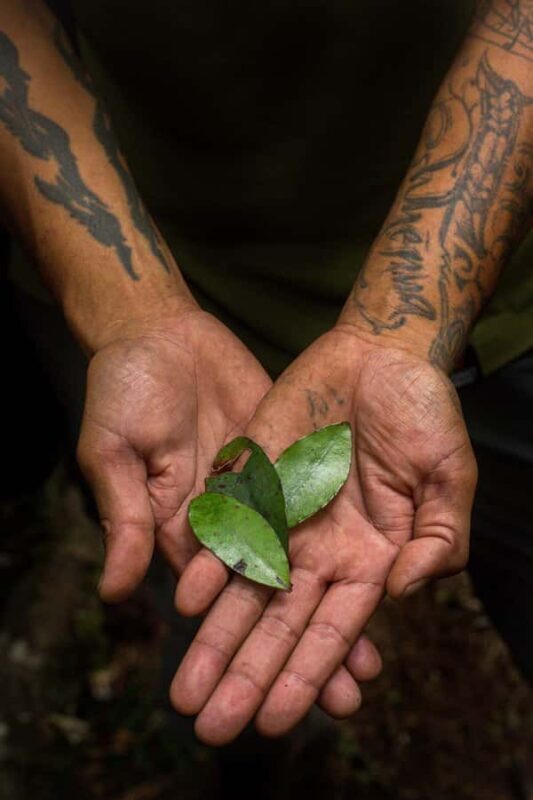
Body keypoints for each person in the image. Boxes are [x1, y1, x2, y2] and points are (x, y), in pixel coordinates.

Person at [0, 0, 531, 749]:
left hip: (498, 289)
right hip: (132, 255)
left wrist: (402, 324)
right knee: (202, 597)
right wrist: (129, 311)